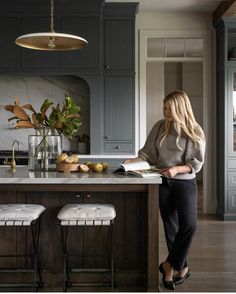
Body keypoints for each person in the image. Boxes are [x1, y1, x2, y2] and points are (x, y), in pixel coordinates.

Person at [124, 90, 205, 290]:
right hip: (162, 182)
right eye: (164, 107)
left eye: (169, 108)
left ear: (180, 108)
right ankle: (177, 269)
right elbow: (148, 154)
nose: (165, 111)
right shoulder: (160, 126)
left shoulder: (194, 131)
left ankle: (168, 264)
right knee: (171, 227)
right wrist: (131, 162)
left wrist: (176, 169)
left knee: (189, 225)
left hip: (185, 181)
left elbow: (196, 163)